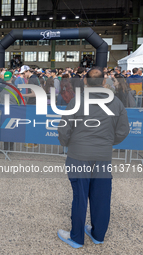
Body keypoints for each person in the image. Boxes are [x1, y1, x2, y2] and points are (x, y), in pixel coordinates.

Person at [57, 67, 130, 249]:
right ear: (104, 82)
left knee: (80, 197)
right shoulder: (116, 103)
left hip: (79, 155)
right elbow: (123, 130)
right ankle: (98, 235)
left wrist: (67, 143)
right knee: (101, 197)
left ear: (85, 82)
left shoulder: (77, 101)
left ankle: (77, 238)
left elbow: (64, 128)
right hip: (103, 156)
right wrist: (107, 142)